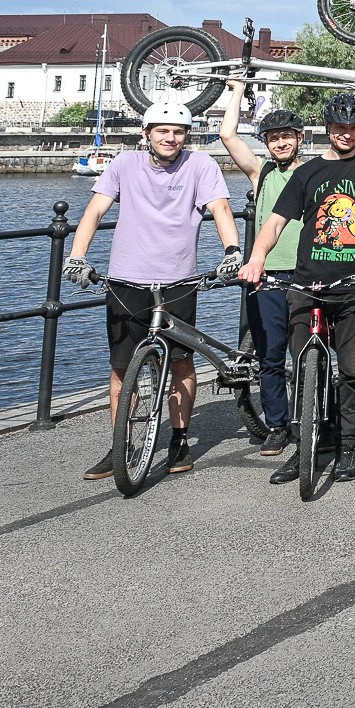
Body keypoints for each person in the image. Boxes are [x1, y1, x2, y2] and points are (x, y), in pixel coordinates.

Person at [68, 95, 240, 481]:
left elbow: (221, 209)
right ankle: (120, 444)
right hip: (126, 280)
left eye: (178, 131)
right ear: (146, 133)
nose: (171, 137)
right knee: (121, 367)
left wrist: (232, 251)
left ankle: (179, 439)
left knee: (180, 360)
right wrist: (77, 256)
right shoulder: (124, 164)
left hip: (179, 280)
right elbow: (94, 211)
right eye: (162, 130)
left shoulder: (200, 164)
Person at [247, 91, 355, 484]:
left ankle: (349, 446)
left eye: (353, 128)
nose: (346, 134)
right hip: (307, 283)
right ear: (327, 128)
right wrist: (257, 258)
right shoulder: (307, 172)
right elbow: (276, 221)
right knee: (303, 370)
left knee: (352, 369)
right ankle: (306, 448)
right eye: (339, 128)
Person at [212, 82, 335, 455]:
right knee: (270, 356)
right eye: (274, 138)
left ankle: (315, 423)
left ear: (300, 138)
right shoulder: (261, 173)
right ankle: (278, 426)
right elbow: (227, 135)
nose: (280, 143)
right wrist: (236, 90)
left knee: (312, 355)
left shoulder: (316, 171)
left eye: (287, 137)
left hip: (308, 274)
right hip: (267, 275)